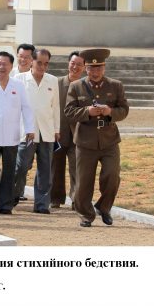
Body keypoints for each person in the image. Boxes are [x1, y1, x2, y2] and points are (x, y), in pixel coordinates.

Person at [64, 48, 129, 227]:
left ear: (104, 67)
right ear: (86, 68)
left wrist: (110, 112)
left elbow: (124, 110)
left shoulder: (115, 85)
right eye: (91, 68)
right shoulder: (76, 86)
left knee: (112, 176)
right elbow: (69, 112)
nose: (95, 72)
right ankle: (86, 215)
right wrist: (87, 111)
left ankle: (104, 207)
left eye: (99, 68)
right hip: (85, 141)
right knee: (84, 181)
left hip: (109, 140)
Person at [0, 51, 34, 214]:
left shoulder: (18, 85)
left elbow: (26, 108)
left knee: (9, 171)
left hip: (12, 136)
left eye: (5, 64)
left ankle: (4, 204)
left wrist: (30, 129)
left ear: (11, 66)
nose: (1, 67)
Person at [14, 48, 60, 214]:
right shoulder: (19, 79)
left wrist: (56, 129)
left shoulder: (52, 80)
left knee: (45, 169)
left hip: (47, 130)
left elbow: (55, 107)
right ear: (31, 61)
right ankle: (12, 196)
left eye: (46, 64)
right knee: (21, 166)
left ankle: (41, 204)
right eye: (39, 62)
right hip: (26, 131)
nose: (42, 66)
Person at [50, 51, 85, 209]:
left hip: (79, 134)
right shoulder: (56, 83)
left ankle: (76, 199)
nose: (75, 67)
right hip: (58, 132)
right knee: (56, 167)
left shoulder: (86, 86)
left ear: (84, 67)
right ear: (68, 63)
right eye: (73, 63)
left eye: (79, 64)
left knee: (77, 167)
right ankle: (55, 198)